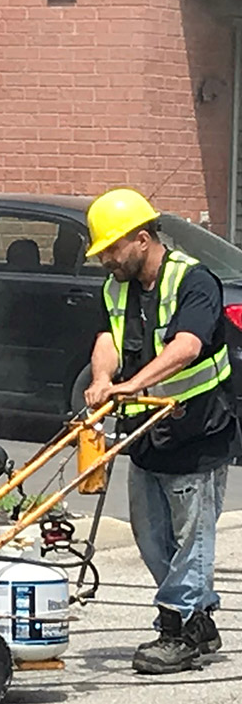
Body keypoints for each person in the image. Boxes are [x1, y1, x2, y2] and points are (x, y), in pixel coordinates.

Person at [83, 187, 237, 674]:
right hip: (147, 435)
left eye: (111, 249)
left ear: (142, 240)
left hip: (198, 430)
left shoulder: (193, 281)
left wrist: (133, 384)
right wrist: (104, 379)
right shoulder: (116, 288)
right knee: (151, 536)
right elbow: (107, 338)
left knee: (192, 536)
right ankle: (199, 618)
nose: (106, 259)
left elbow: (187, 346)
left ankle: (178, 630)